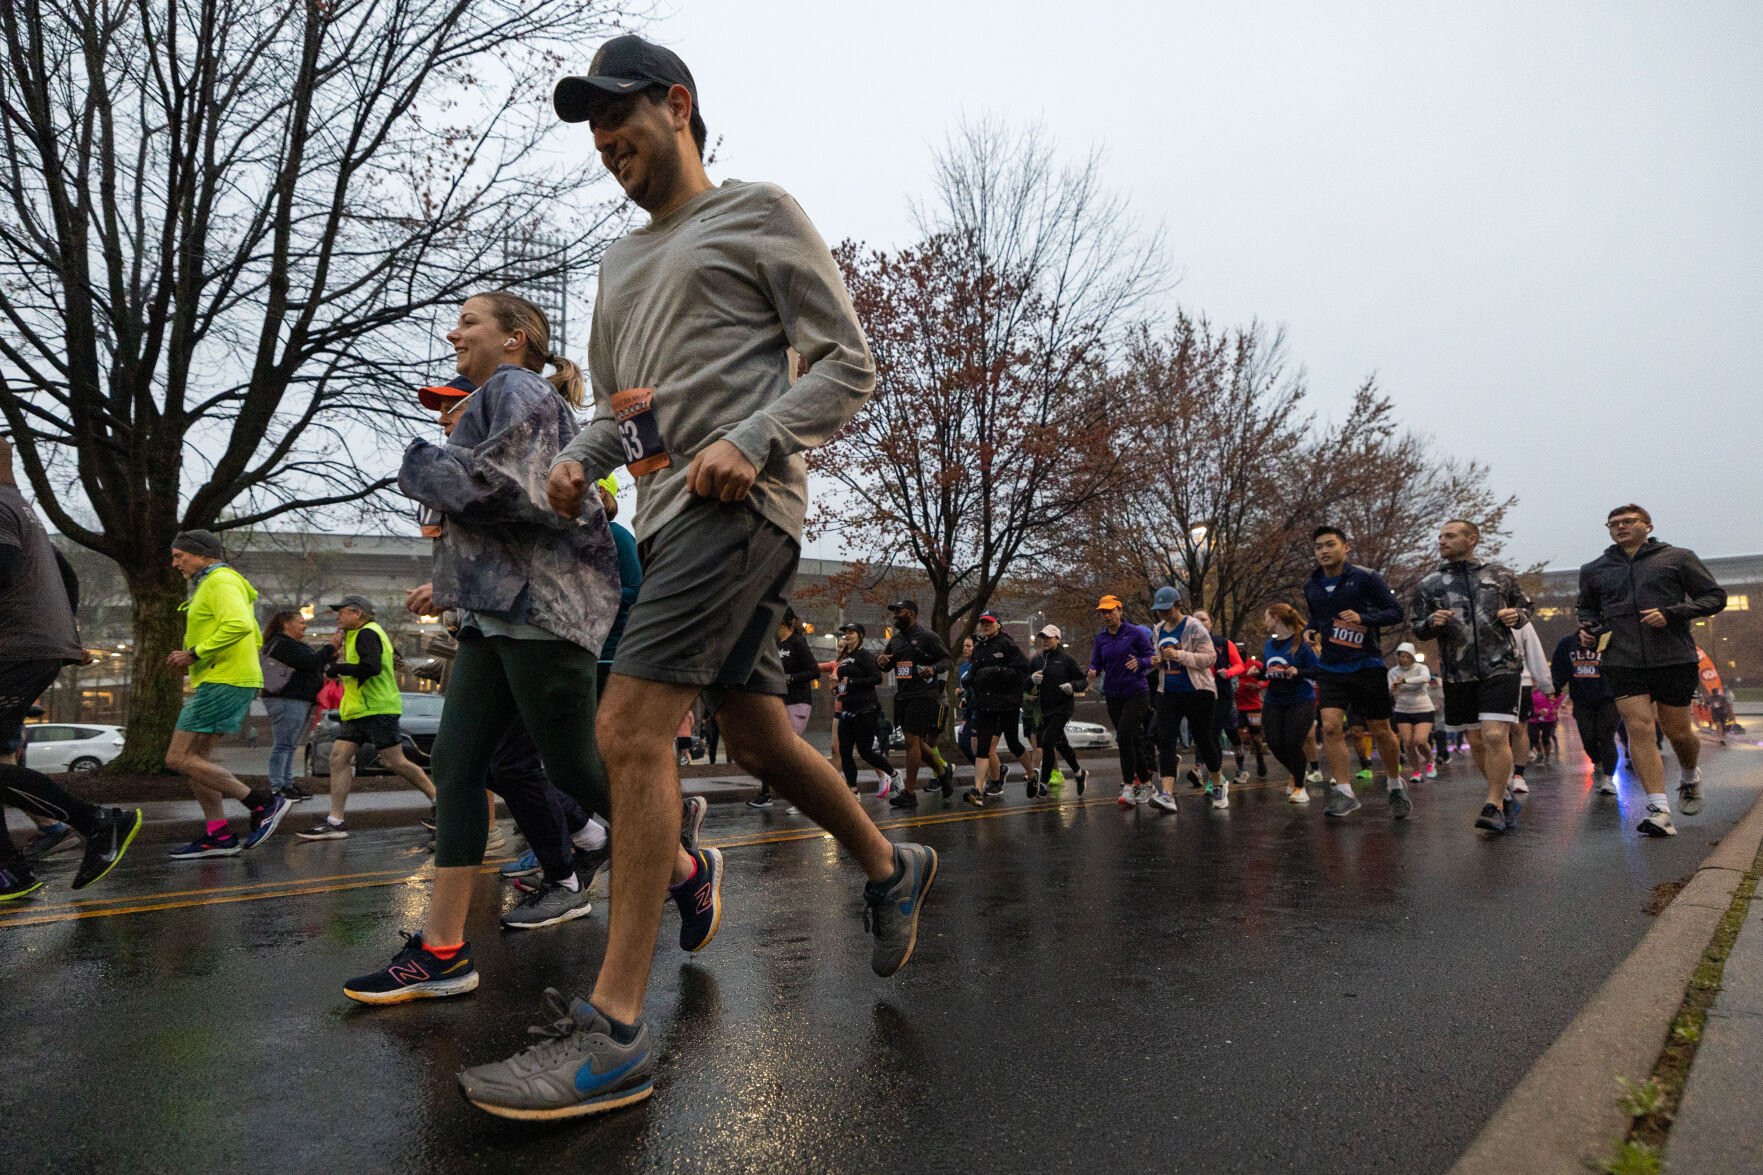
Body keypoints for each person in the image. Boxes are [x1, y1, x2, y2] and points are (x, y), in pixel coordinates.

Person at [495, 38, 936, 1120]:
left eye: (618, 118)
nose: (604, 143)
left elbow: (845, 360)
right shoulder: (615, 265)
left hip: (739, 508)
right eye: (591, 129)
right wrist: (572, 463)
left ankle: (611, 1030)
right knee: (751, 737)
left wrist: (751, 435)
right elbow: (622, 410)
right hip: (664, 508)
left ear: (676, 106)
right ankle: (889, 864)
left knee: (629, 731)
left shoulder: (756, 213)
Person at [344, 290, 701, 997]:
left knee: (571, 769)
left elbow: (508, 489)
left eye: (469, 321)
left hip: (541, 610)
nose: (454, 332)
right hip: (493, 614)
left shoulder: (518, 387)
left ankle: (686, 868)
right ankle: (444, 949)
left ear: (515, 338)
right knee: (455, 763)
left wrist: (418, 462)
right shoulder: (500, 393)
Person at [0, 437, 142, 898]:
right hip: (32, 647)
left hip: (15, 649)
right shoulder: (18, 506)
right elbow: (66, 574)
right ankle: (9, 871)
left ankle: (98, 821)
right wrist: (66, 634)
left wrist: (55, 636)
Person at [1575, 504, 1726, 837]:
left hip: (1672, 656)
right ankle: (1659, 810)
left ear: (1647, 525)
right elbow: (1586, 608)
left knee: (1679, 732)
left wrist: (1672, 613)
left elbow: (1715, 597)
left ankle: (1689, 777)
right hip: (1622, 659)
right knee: (1638, 727)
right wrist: (1588, 628)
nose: (1620, 527)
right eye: (1613, 523)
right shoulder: (1595, 569)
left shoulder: (1677, 558)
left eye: (1628, 521)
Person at [160, 531, 289, 858]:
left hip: (225, 680)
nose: (175, 563)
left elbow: (239, 625)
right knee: (196, 762)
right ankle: (218, 834)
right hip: (225, 678)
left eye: (180, 556)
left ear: (202, 554)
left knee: (177, 758)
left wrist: (195, 653)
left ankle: (263, 804)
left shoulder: (221, 581)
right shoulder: (213, 583)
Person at [1408, 518, 1532, 834]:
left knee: (1494, 735)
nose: (1442, 541)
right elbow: (1417, 627)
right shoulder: (1429, 584)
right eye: (1440, 536)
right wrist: (1431, 622)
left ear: (1472, 539)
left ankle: (1492, 804)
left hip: (1501, 666)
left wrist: (1516, 615)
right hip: (1458, 672)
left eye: (1450, 535)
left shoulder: (1499, 575)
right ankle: (1504, 797)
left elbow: (1526, 607)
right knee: (1476, 739)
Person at [296, 595, 436, 838]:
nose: (338, 616)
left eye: (342, 612)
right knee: (338, 760)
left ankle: (440, 802)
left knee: (394, 762)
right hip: (358, 710)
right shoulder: (355, 635)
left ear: (357, 613)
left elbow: (372, 667)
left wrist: (337, 669)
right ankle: (336, 821)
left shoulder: (367, 633)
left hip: (378, 709)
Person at [1302, 526, 1410, 820]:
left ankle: (1394, 783)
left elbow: (1395, 612)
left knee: (1381, 730)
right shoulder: (1311, 585)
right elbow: (1316, 617)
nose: (1323, 551)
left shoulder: (1365, 577)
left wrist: (1363, 617)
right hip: (1331, 665)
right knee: (1332, 726)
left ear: (1345, 547)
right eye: (1318, 547)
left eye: (1329, 545)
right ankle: (1345, 793)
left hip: (1366, 663)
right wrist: (1309, 630)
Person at [1148, 586, 1220, 813]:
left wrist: (1180, 655)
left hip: (1198, 691)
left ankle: (1218, 783)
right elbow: (1159, 655)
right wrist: (1157, 661)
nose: (1163, 615)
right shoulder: (1158, 629)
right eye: (1159, 611)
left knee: (1203, 738)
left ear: (1178, 605)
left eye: (1166, 610)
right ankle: (1167, 793)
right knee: (1166, 739)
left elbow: (1210, 657)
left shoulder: (1193, 627)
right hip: (1169, 692)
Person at [879, 599, 956, 808]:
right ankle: (942, 771)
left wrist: (933, 669)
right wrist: (882, 662)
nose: (895, 615)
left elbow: (947, 660)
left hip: (924, 694)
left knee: (912, 742)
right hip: (903, 696)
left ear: (911, 613)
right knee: (918, 745)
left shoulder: (928, 637)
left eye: (899, 611)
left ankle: (909, 793)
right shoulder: (895, 641)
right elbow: (886, 664)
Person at [1088, 594, 1156, 807]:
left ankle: (1128, 786)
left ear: (1120, 610)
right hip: (1113, 694)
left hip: (1136, 692)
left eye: (1110, 611)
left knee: (1124, 737)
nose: (1107, 616)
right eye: (1103, 613)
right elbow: (1096, 662)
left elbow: (1152, 657)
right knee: (1133, 739)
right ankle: (1147, 783)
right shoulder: (1101, 638)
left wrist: (1140, 662)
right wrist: (1093, 671)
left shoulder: (1135, 633)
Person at [260, 609, 335, 801]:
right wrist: (330, 647)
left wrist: (330, 655)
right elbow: (311, 662)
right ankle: (278, 787)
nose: (305, 625)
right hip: (286, 699)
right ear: (287, 624)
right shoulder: (283, 645)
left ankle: (287, 783)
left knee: (290, 744)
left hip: (297, 699)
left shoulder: (292, 645)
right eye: (301, 622)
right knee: (284, 744)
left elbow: (314, 663)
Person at [750, 609, 819, 807]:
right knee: (768, 747)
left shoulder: (797, 642)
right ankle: (765, 794)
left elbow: (813, 670)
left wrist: (791, 678)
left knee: (788, 750)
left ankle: (805, 796)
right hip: (777, 700)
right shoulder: (774, 644)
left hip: (797, 701)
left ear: (782, 621)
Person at [963, 613, 1030, 806]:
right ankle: (977, 790)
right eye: (982, 623)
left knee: (1013, 743)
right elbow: (975, 672)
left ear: (998, 625)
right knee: (983, 747)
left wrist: (997, 671)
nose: (985, 626)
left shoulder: (1007, 644)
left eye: (989, 623)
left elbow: (1022, 670)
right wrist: (969, 682)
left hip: (1007, 703)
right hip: (985, 704)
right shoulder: (979, 649)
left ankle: (1032, 774)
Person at [1260, 604, 1322, 802]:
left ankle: (1299, 787)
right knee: (1274, 744)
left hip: (1300, 700)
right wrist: (1258, 672)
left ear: (1276, 618)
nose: (1264, 622)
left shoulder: (1301, 644)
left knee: (1292, 742)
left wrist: (1298, 671)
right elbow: (1269, 668)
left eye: (1266, 617)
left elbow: (1318, 670)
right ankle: (1298, 771)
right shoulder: (1269, 645)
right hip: (1273, 701)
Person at [830, 623, 897, 795]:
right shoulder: (844, 659)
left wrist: (852, 682)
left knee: (865, 752)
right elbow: (843, 682)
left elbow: (876, 678)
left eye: (851, 633)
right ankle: (853, 791)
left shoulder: (864, 655)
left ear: (859, 636)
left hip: (866, 709)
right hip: (847, 710)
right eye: (845, 633)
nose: (847, 636)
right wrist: (838, 689)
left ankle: (894, 774)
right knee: (845, 752)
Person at [1028, 625, 1088, 795]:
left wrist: (1072, 686)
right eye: (1043, 638)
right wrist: (1031, 679)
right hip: (1044, 709)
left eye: (1048, 637)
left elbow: (1082, 681)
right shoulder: (1036, 660)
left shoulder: (1066, 659)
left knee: (1047, 741)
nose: (1045, 641)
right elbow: (1025, 683)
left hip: (1062, 708)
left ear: (1058, 639)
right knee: (1060, 743)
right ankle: (1079, 772)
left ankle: (1044, 782)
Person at [1193, 610, 1246, 785]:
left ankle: (1220, 776)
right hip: (1199, 694)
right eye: (1196, 620)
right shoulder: (1188, 644)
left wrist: (1229, 672)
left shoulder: (1223, 643)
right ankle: (1206, 772)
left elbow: (1240, 665)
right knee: (1202, 734)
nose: (1200, 622)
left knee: (1214, 732)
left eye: (1204, 619)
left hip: (1222, 695)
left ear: (1211, 623)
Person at [1506, 620, 1551, 793]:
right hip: (1490, 681)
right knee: (1496, 731)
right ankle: (1503, 773)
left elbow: (1534, 651)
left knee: (1518, 728)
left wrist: (1545, 684)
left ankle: (1518, 775)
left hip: (1519, 680)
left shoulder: (1520, 619)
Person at [1387, 642, 1437, 785]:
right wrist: (1393, 686)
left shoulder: (1421, 668)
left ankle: (1430, 761)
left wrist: (1405, 680)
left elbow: (1425, 678)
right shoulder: (1393, 672)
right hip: (1402, 708)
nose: (1404, 659)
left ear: (1412, 657)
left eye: (1407, 656)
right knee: (1408, 743)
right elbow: (1389, 688)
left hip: (1423, 708)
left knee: (1420, 741)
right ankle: (1416, 772)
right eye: (1401, 656)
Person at [1231, 648, 1269, 781]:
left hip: (1254, 708)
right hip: (1238, 708)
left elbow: (1267, 677)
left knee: (1255, 736)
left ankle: (1260, 758)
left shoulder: (1254, 664)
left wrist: (1258, 685)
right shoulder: (1232, 664)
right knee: (1237, 736)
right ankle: (1241, 767)